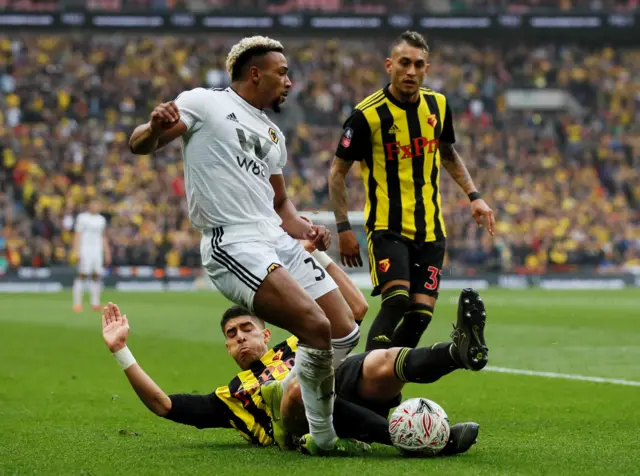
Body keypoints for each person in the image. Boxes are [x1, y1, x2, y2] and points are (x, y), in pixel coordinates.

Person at [128, 36, 362, 454]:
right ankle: (323, 438)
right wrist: (154, 128)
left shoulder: (273, 133)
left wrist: (305, 231)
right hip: (232, 241)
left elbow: (281, 204)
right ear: (256, 73)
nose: (289, 81)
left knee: (345, 330)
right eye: (282, 72)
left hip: (274, 237)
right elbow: (140, 144)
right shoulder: (205, 102)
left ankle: (283, 393)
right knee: (316, 328)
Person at [100, 256, 487, 456]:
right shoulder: (230, 398)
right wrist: (121, 351)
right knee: (298, 387)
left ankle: (457, 353)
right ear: (227, 348)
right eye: (231, 336)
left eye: (247, 329)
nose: (240, 339)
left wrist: (317, 257)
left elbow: (355, 309)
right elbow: (163, 404)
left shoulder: (298, 344)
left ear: (267, 334)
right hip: (298, 421)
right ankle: (424, 440)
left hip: (333, 389)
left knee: (380, 360)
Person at [328, 30, 494, 360]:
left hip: (432, 231)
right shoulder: (366, 115)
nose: (411, 71)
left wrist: (475, 195)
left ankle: (385, 380)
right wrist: (344, 229)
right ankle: (362, 378)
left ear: (427, 68)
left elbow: (448, 153)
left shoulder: (438, 105)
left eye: (419, 65)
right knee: (396, 301)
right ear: (389, 65)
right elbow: (337, 172)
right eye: (404, 63)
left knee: (420, 316)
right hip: (388, 227)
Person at [72, 199, 111, 312]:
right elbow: (77, 234)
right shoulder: (82, 218)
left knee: (96, 275)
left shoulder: (101, 220)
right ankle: (77, 303)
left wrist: (107, 252)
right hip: (85, 250)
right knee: (82, 275)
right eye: (93, 204)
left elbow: (103, 236)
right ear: (89, 205)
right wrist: (75, 251)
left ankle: (95, 303)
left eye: (97, 204)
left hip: (97, 251)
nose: (95, 206)